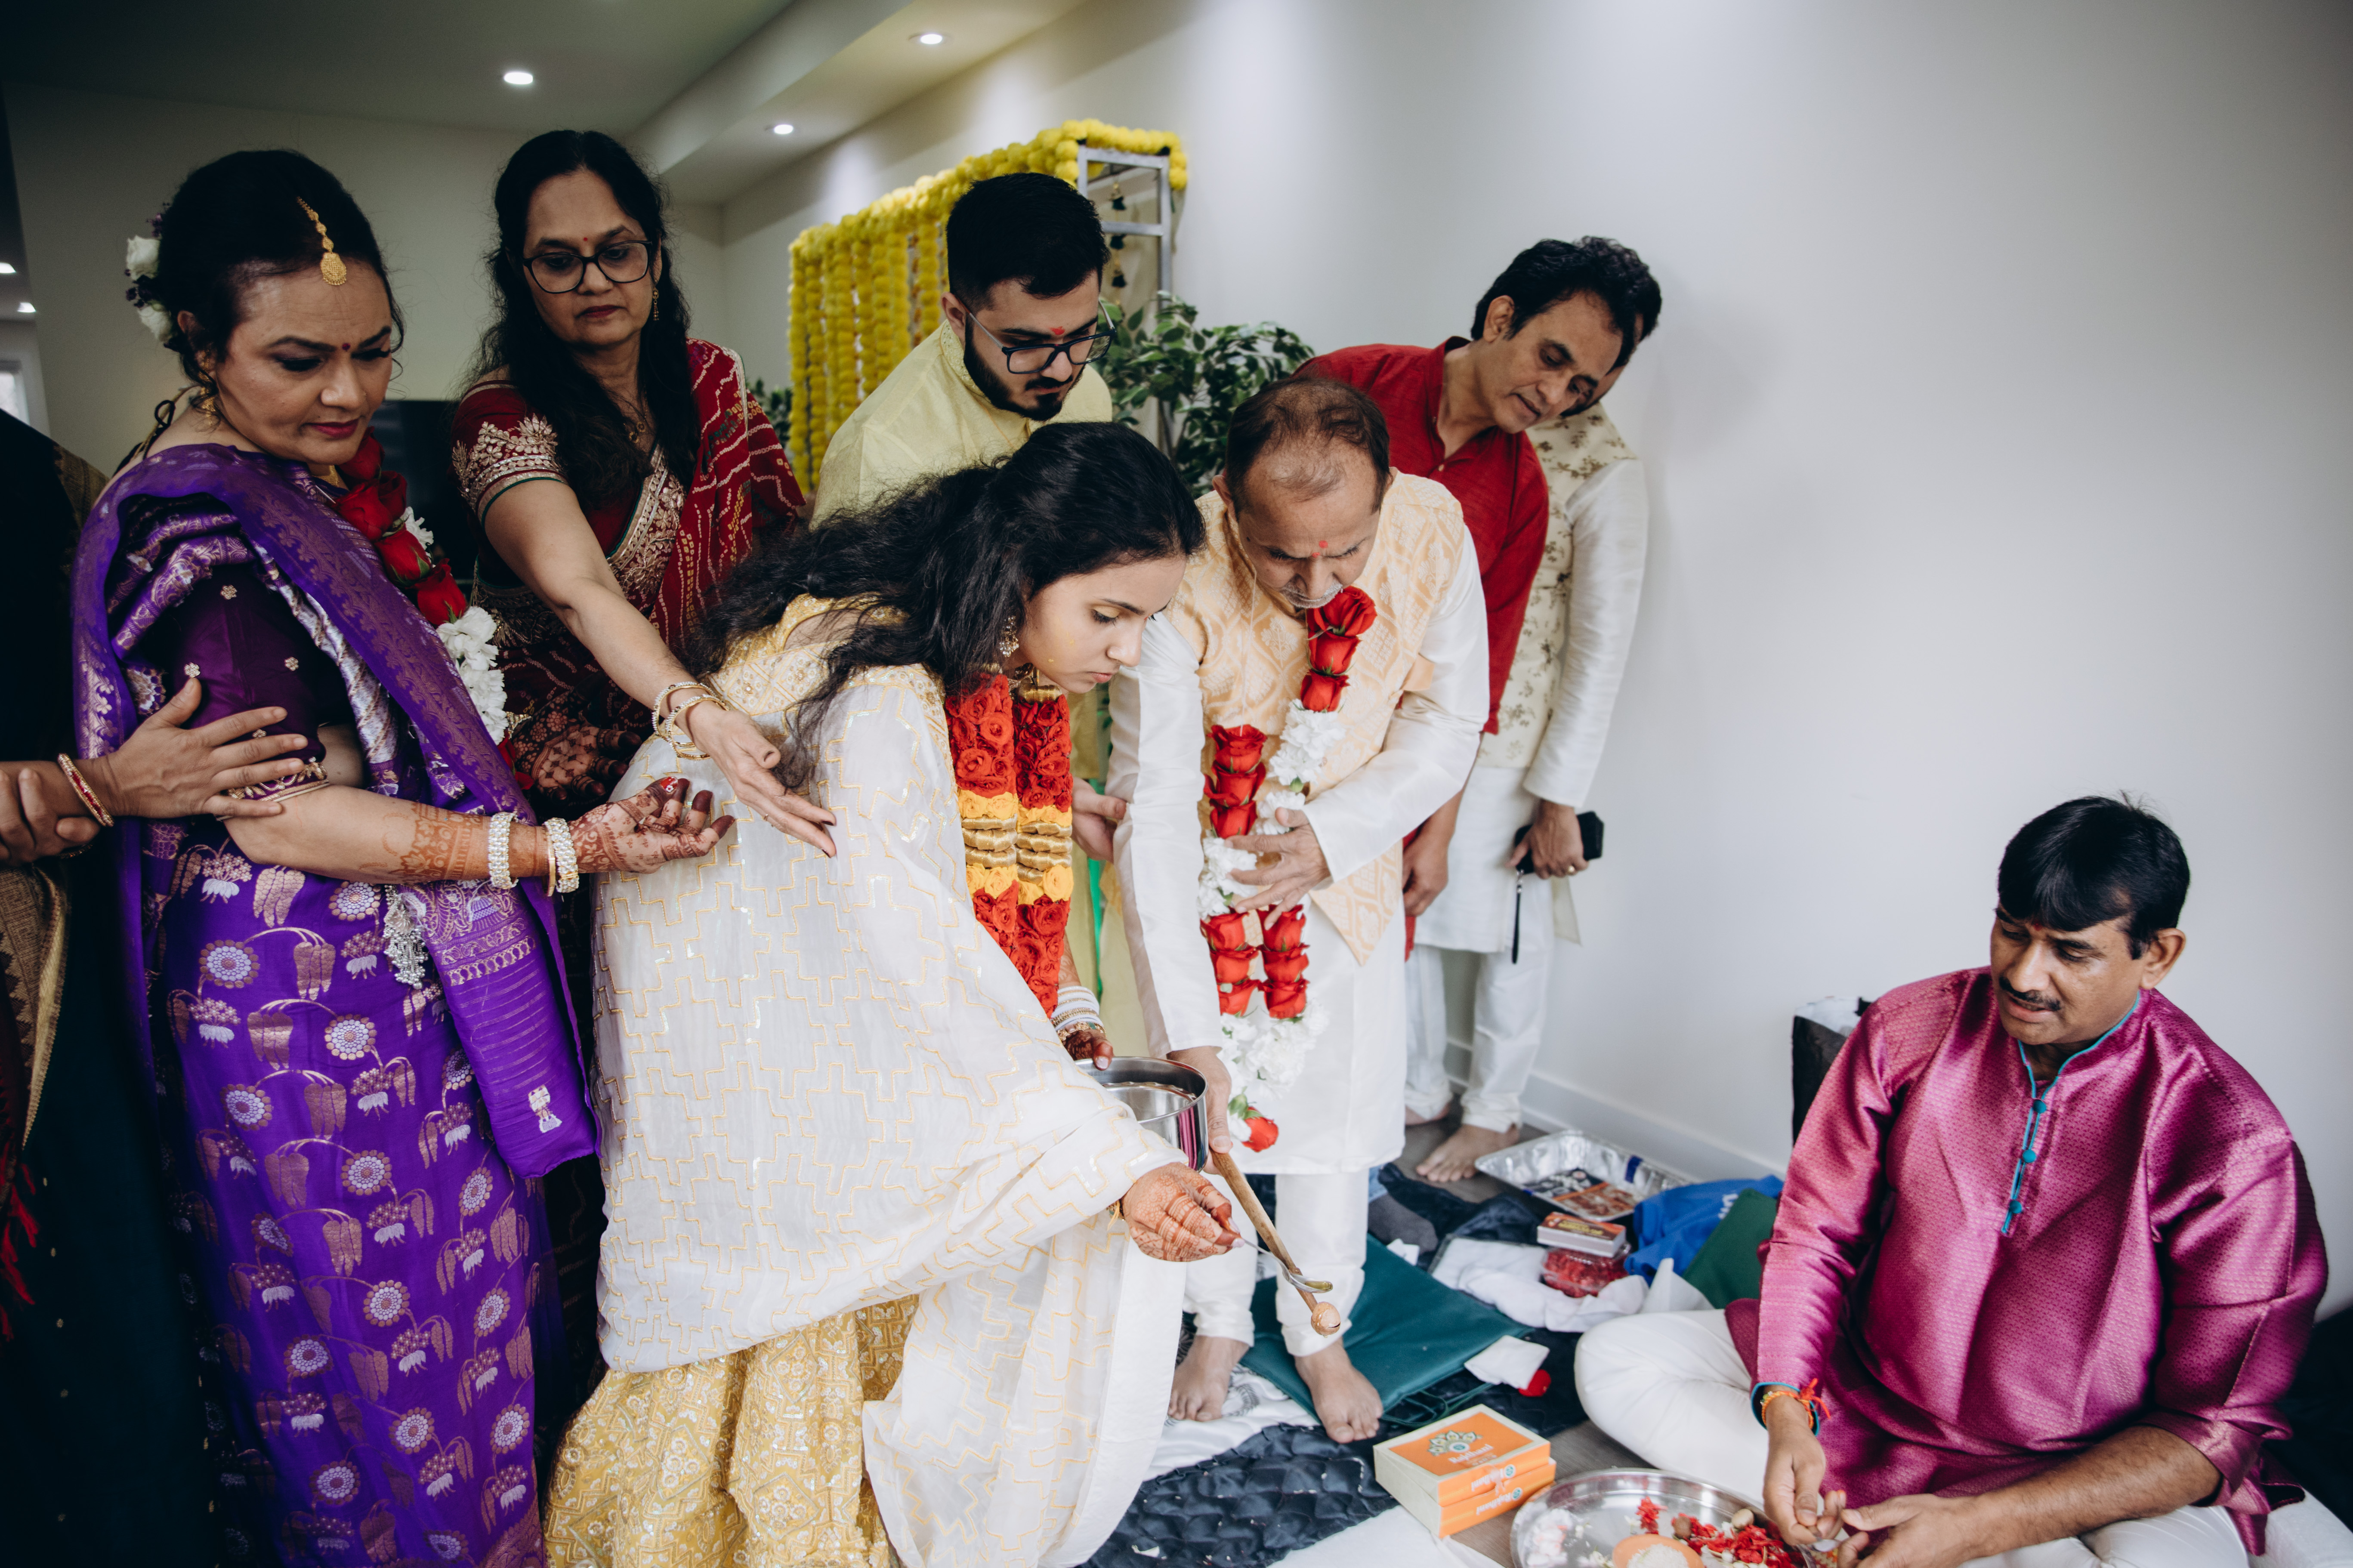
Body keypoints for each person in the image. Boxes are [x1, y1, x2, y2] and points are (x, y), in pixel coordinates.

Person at [72, 150, 734, 1565]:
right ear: (197, 340)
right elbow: (275, 806)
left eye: (374, 350)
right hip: (290, 1011)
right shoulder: (194, 522)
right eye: (298, 358)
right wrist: (557, 847)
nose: (349, 391)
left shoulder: (303, 486)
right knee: (359, 1352)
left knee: (465, 1312)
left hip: (394, 970)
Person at [543, 420, 1235, 1568]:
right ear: (1019, 569)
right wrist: (1112, 1158)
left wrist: (1067, 1017)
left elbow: (974, 899)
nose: (1125, 649)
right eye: (1108, 614)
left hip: (800, 974)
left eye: (1146, 622)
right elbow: (915, 950)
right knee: (797, 1248)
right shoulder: (878, 688)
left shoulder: (965, 646)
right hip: (745, 1001)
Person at [1575, 797, 2328, 1566]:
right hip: (1865, 1399)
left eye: (2070, 952)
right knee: (1614, 1362)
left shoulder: (2230, 1141)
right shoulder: (1908, 1030)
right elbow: (1812, 1236)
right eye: (2012, 931)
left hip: (2076, 1464)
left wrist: (1988, 1522)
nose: (2024, 975)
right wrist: (1788, 1414)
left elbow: (2215, 1425)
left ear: (2157, 954)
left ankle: (1926, 1536)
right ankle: (1896, 1531)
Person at [1113, 379, 1488, 1442]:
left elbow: (1449, 715)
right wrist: (1185, 1021)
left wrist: (1337, 834)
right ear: (1228, 500)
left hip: (1349, 873)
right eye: (1282, 556)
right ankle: (1220, 1318)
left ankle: (1321, 1324)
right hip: (1205, 889)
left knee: (1336, 1120)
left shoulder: (1431, 528)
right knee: (1209, 1114)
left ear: (1386, 498)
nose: (1318, 587)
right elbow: (1153, 801)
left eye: (1346, 552)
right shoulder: (1177, 571)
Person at [1299, 237, 1663, 1182]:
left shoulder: (1526, 486)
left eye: (1583, 386)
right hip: (1280, 739)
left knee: (1388, 945)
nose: (1556, 396)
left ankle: (1357, 1159)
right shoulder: (1346, 387)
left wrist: (1441, 822)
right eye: (1552, 359)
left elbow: (1482, 679)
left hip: (1414, 762)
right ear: (1501, 317)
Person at [453, 130, 826, 846]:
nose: (594, 281)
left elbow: (787, 539)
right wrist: (695, 710)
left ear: (656, 256)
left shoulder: (711, 381)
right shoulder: (497, 417)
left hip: (726, 724)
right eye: (558, 262)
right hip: (571, 768)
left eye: (617, 251)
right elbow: (580, 588)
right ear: (518, 276)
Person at [809, 170, 1118, 524]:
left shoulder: (1091, 394)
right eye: (1025, 344)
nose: (1062, 371)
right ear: (958, 317)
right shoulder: (880, 457)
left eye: (1081, 335)